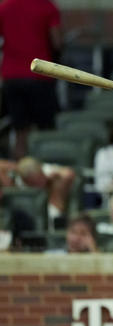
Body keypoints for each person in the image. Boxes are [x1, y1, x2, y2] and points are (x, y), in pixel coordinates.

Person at [0, 0, 61, 159]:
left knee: (20, 134)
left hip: (12, 77)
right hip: (40, 75)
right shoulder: (47, 6)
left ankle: (20, 180)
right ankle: (43, 178)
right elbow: (57, 42)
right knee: (46, 133)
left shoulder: (5, 6)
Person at [15, 156, 75, 229]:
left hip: (52, 207)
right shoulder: (18, 183)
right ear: (25, 181)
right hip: (30, 215)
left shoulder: (48, 170)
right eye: (33, 183)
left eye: (39, 179)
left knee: (58, 184)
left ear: (41, 170)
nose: (39, 184)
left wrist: (55, 175)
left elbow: (68, 174)